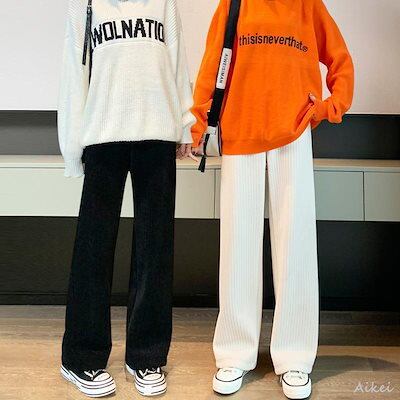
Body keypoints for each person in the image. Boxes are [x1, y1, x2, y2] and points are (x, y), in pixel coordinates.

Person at [191, 0, 354, 398]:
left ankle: (295, 357)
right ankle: (234, 353)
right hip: (240, 132)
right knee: (238, 246)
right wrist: (199, 125)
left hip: (293, 135)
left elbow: (340, 60)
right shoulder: (233, 4)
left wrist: (330, 107)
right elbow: (212, 66)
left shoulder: (307, 5)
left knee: (296, 246)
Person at [57, 0, 195, 397]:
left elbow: (177, 64)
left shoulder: (164, 3)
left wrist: (184, 126)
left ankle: (146, 355)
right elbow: (74, 76)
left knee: (155, 250)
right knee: (93, 250)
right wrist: (72, 149)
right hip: (103, 138)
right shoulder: (84, 6)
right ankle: (81, 357)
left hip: (157, 135)